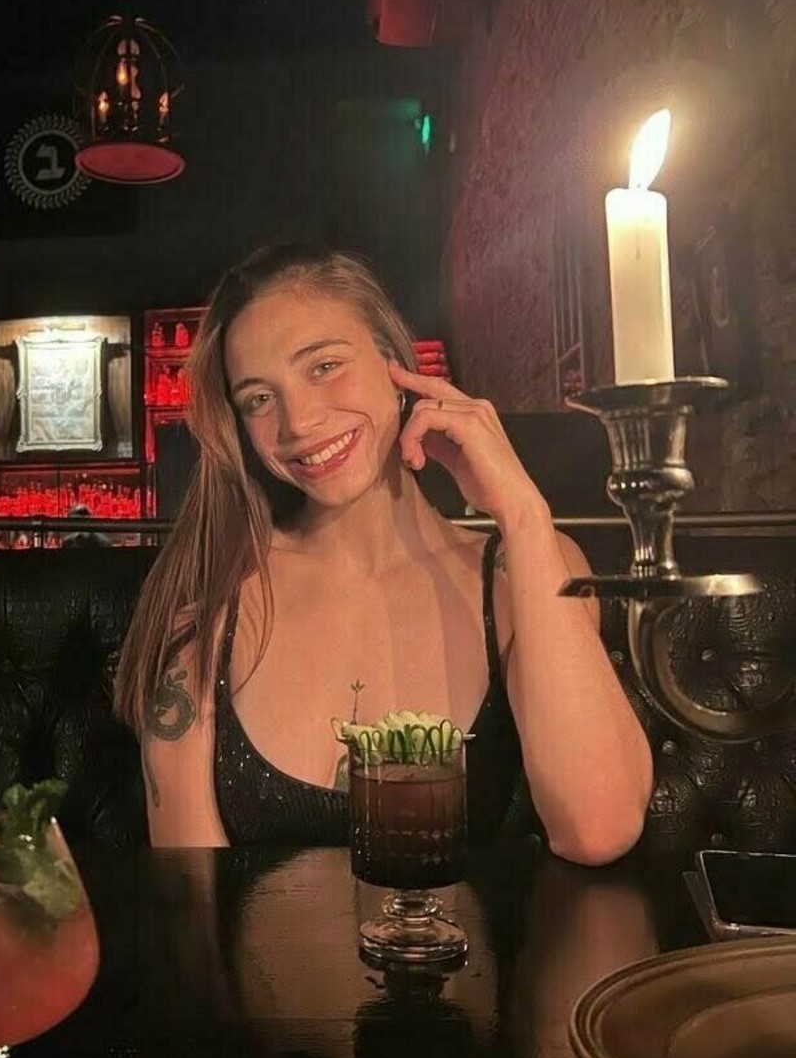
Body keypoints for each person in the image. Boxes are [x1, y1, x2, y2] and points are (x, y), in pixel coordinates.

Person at [113, 244, 652, 860]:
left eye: (323, 366)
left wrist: (523, 512)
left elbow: (597, 828)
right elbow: (194, 898)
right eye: (259, 399)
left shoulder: (521, 570)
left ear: (396, 362)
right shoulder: (211, 599)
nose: (298, 422)